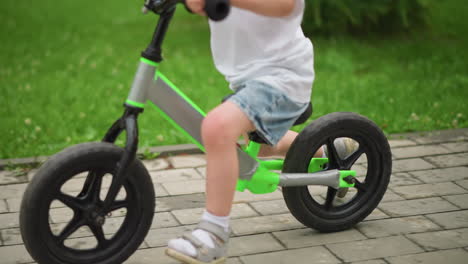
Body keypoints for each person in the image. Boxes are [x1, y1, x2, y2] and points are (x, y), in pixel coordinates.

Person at [166, 0, 315, 263]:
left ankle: (214, 233)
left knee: (217, 126)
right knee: (261, 146)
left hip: (284, 79)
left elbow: (285, 5)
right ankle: (327, 147)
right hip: (250, 81)